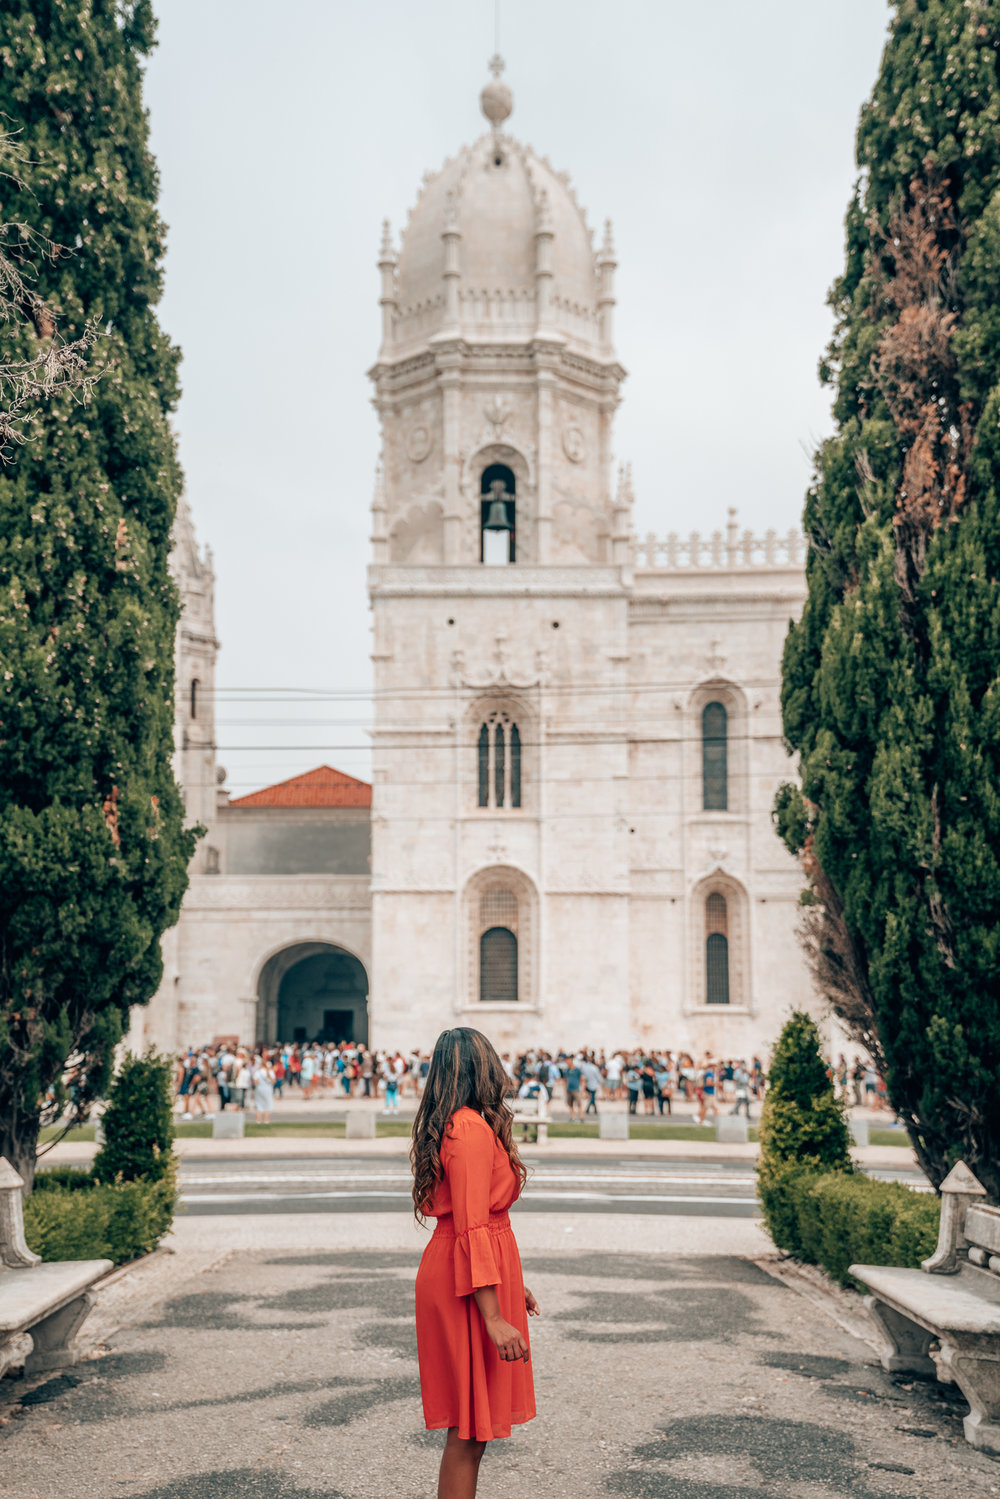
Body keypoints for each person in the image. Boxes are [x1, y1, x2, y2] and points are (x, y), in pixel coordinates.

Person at [411, 1028, 539, 1498]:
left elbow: (477, 1222)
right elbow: (470, 1224)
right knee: (469, 1431)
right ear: (481, 1068)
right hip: (465, 1278)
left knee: (473, 1431)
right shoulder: (467, 1128)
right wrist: (493, 1316)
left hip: (475, 1269)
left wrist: (511, 1284)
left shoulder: (463, 1124)